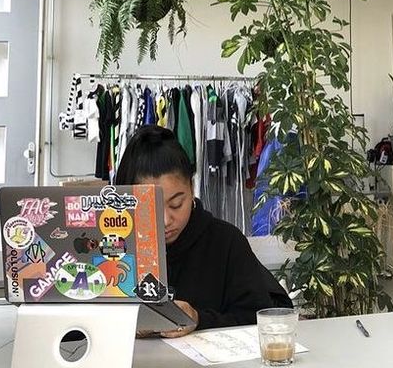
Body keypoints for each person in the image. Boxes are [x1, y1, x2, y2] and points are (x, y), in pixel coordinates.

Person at [115, 125, 292, 337]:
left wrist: (199, 319)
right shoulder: (113, 247)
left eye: (177, 204)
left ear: (191, 189)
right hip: (128, 367)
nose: (165, 221)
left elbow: (260, 318)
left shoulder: (225, 242)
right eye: (150, 208)